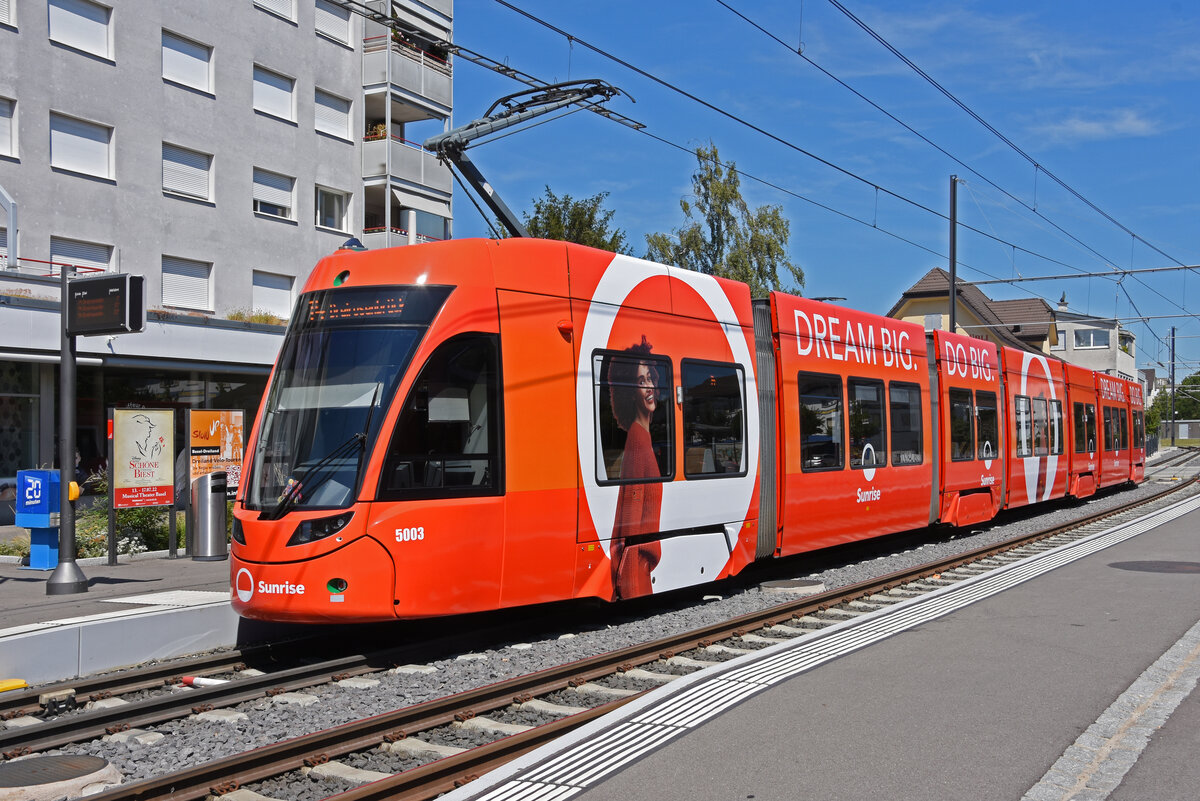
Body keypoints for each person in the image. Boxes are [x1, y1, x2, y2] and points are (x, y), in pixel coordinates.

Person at [607, 336, 663, 598]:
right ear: (631, 393)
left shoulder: (641, 435)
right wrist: (628, 586)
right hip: (637, 571)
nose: (649, 386)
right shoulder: (639, 439)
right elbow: (630, 527)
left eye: (649, 378)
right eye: (641, 383)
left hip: (639, 565)